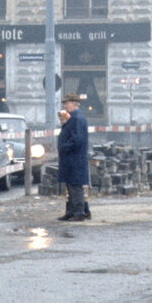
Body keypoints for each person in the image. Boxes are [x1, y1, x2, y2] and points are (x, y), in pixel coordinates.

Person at [57, 92, 90, 221]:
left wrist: (65, 147)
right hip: (72, 159)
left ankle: (78, 213)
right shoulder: (73, 117)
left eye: (66, 103)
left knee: (75, 186)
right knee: (70, 185)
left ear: (73, 103)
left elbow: (77, 139)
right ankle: (71, 211)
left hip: (74, 159)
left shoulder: (77, 118)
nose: (65, 105)